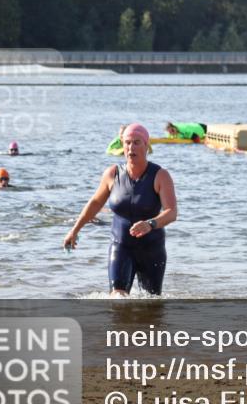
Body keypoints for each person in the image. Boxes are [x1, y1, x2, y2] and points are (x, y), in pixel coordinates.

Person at [64, 123, 177, 296]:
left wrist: (150, 224)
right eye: (127, 143)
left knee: (151, 304)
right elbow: (95, 203)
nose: (131, 148)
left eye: (137, 142)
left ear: (146, 145)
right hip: (121, 246)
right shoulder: (112, 174)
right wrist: (75, 230)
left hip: (152, 249)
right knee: (117, 297)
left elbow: (171, 212)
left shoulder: (160, 175)